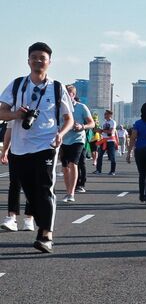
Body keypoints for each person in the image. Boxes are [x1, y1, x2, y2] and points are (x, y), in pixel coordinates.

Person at [0, 42, 74, 253]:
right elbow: (1, 112)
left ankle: (46, 235)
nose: (38, 61)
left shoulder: (57, 88)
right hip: (20, 148)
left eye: (42, 57)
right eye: (34, 57)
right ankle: (42, 224)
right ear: (28, 61)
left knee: (44, 189)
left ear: (49, 62)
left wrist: (60, 134)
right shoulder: (16, 85)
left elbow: (67, 118)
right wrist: (16, 115)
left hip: (46, 145)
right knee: (31, 192)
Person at [60, 85, 94, 203]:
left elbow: (92, 123)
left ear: (73, 95)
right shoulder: (59, 107)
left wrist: (82, 126)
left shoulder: (81, 107)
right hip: (63, 139)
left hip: (78, 139)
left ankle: (71, 193)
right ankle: (67, 190)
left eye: (68, 93)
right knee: (64, 167)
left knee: (73, 163)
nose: (65, 96)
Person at [96, 109, 118, 174]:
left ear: (110, 115)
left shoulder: (113, 122)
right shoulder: (103, 122)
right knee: (99, 156)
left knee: (112, 156)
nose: (105, 115)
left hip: (111, 141)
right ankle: (98, 170)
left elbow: (110, 131)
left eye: (106, 114)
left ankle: (112, 171)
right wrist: (99, 130)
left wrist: (102, 130)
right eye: (104, 114)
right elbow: (103, 131)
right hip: (104, 140)